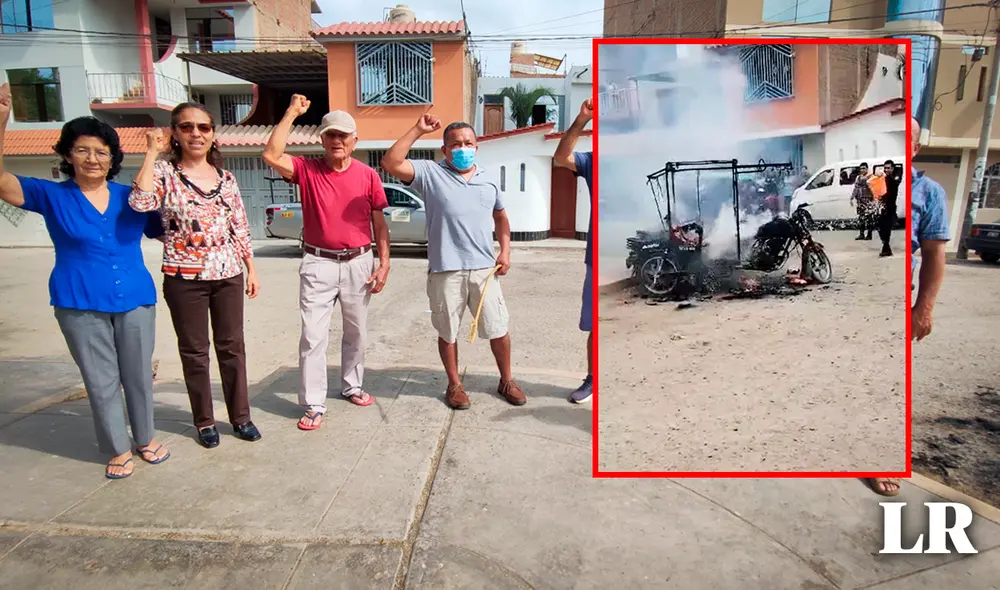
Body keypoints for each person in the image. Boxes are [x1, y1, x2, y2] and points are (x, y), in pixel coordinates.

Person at [0, 83, 170, 479]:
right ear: (67, 154)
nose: (92, 158)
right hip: (79, 300)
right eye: (83, 150)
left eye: (101, 152)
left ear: (112, 159)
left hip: (135, 297)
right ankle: (116, 446)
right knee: (100, 378)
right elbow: (3, 181)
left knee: (138, 376)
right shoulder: (51, 196)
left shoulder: (132, 196)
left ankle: (145, 438)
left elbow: (167, 229)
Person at [130, 102, 262, 449]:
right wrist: (149, 153)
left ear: (213, 134)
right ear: (174, 133)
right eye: (187, 127)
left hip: (228, 273)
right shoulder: (164, 173)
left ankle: (241, 416)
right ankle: (204, 421)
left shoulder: (227, 179)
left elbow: (240, 226)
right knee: (194, 351)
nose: (196, 134)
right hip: (183, 277)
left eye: (203, 128)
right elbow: (141, 203)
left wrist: (251, 267)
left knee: (232, 347)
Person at [263, 95, 390, 431]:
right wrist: (291, 112)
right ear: (321, 139)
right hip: (318, 263)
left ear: (354, 141)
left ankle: (352, 385)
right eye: (331, 135)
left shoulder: (367, 176)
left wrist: (384, 262)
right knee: (313, 336)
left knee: (357, 333)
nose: (337, 141)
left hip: (359, 263)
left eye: (343, 135)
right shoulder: (307, 170)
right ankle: (314, 403)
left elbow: (379, 223)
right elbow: (271, 155)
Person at [381, 114, 524, 410]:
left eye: (468, 143)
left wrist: (506, 250)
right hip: (446, 269)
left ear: (477, 146)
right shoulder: (430, 173)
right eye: (455, 144)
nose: (463, 148)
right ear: (445, 150)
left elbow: (501, 216)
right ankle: (455, 384)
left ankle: (506, 380)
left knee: (498, 328)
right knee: (447, 331)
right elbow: (391, 163)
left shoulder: (488, 179)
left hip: (484, 270)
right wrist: (418, 129)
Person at [865, 118, 949, 497]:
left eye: (909, 142)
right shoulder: (880, 185)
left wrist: (924, 308)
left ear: (916, 147)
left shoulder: (929, 193)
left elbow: (934, 254)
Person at [554, 99, 595, 404]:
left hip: (641, 254)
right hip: (598, 257)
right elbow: (561, 157)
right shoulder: (594, 162)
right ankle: (593, 379)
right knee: (596, 325)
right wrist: (582, 119)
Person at [877, 159, 900, 257]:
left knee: (886, 230)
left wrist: (882, 177)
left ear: (892, 169)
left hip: (890, 209)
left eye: (888, 168)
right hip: (882, 208)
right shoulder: (883, 179)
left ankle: (886, 248)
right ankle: (886, 247)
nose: (886, 170)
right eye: (885, 168)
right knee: (879, 228)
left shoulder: (894, 180)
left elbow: (891, 191)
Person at [850, 162, 878, 240]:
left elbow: (874, 188)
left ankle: (869, 235)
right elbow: (855, 188)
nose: (862, 170)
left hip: (868, 200)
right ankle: (861, 234)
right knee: (861, 218)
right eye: (861, 168)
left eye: (864, 168)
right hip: (860, 201)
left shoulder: (871, 177)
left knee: (869, 218)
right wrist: (852, 197)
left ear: (867, 169)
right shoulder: (858, 177)